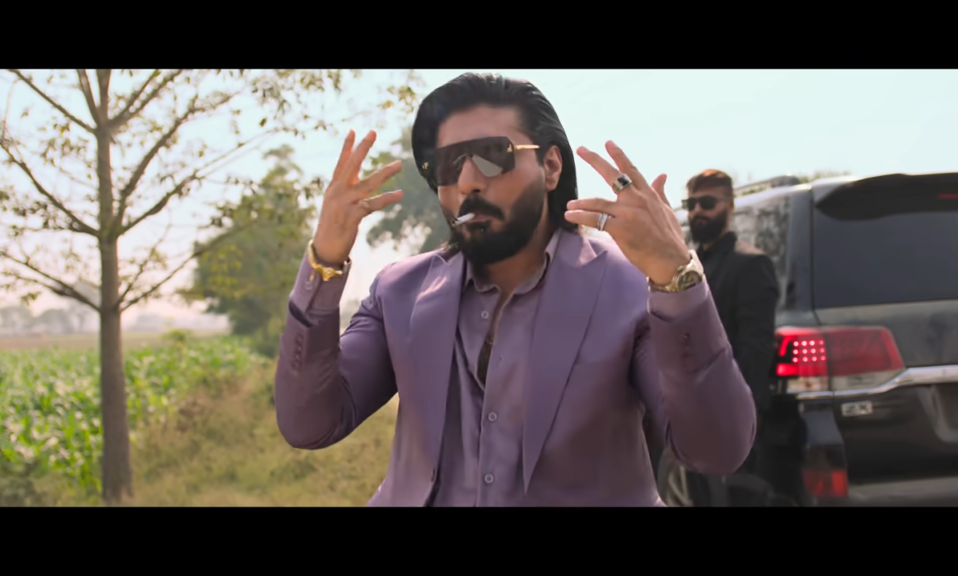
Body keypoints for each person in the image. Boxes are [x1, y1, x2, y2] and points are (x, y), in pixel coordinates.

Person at [274, 73, 756, 506]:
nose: (467, 182)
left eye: (492, 156)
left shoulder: (630, 288)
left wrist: (676, 280)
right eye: (447, 166)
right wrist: (324, 262)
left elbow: (716, 448)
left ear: (551, 167)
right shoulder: (399, 291)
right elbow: (309, 424)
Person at [678, 168, 780, 506]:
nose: (697, 212)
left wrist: (743, 417)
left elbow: (756, 348)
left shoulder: (750, 264)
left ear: (730, 205)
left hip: (731, 418)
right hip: (692, 415)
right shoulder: (689, 266)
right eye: (691, 204)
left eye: (707, 203)